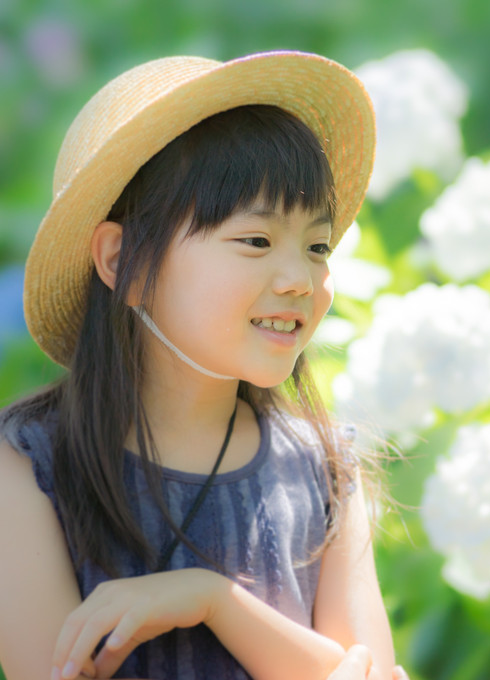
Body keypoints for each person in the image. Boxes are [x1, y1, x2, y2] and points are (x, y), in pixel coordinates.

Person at [0, 51, 407, 680]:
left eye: (318, 246)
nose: (302, 278)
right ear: (122, 261)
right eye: (256, 240)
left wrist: (214, 602)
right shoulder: (28, 468)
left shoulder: (325, 470)